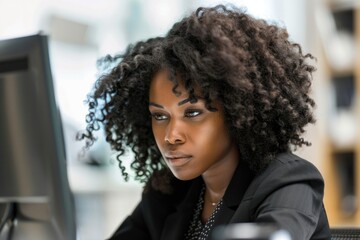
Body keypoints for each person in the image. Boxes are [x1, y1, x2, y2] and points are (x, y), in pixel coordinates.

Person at [78, 5, 331, 240]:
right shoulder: (168, 191)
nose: (171, 136)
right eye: (160, 116)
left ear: (235, 111)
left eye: (192, 113)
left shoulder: (288, 181)